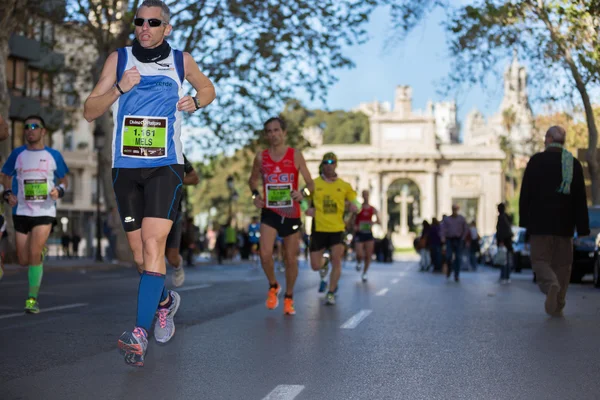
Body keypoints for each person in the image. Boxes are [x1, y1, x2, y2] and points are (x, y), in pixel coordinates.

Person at [84, 0, 216, 366]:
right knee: (141, 258)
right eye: (139, 21)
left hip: (165, 165)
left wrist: (196, 102)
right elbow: (90, 109)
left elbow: (208, 89)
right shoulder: (119, 59)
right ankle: (165, 302)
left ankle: (139, 333)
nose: (145, 27)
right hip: (126, 167)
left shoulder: (180, 60)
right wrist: (119, 90)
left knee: (154, 242)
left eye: (153, 22)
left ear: (166, 28)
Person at [0, 115, 69, 313]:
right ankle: (39, 253)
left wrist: (60, 191)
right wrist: (7, 193)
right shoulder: (17, 154)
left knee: (33, 254)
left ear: (43, 131)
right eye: (27, 127)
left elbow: (65, 179)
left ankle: (32, 299)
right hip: (21, 210)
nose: (30, 130)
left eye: (34, 126)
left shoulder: (53, 155)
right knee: (23, 259)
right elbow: (5, 175)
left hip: (45, 211)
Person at [519, 126, 589, 317]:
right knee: (563, 266)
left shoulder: (535, 162)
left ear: (549, 138)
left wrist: (524, 221)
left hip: (540, 226)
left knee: (540, 261)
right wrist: (582, 228)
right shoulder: (573, 164)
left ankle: (551, 285)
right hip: (565, 227)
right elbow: (580, 198)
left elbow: (526, 194)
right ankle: (558, 303)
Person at [248, 116, 314, 315]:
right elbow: (252, 182)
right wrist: (255, 196)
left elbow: (311, 184)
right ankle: (273, 285)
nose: (273, 134)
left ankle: (289, 297)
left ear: (284, 133)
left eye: (276, 130)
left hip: (291, 212)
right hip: (269, 210)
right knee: (265, 253)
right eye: (269, 131)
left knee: (290, 259)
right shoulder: (261, 157)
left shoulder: (295, 155)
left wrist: (303, 194)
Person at [306, 152, 358, 305]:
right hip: (319, 228)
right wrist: (306, 209)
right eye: (326, 162)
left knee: (337, 260)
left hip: (337, 229)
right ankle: (324, 264)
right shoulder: (313, 184)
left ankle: (331, 291)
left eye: (332, 162)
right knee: (315, 266)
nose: (329, 165)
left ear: (336, 164)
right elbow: (303, 200)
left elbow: (357, 203)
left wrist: (356, 207)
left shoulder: (344, 186)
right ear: (322, 165)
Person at [165, 154, 199, 287]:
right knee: (151, 251)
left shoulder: (177, 154)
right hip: (151, 208)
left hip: (174, 210)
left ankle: (178, 266)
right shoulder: (147, 151)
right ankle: (156, 292)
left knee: (172, 257)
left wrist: (174, 180)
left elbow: (195, 178)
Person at [353, 190, 380, 282]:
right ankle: (359, 261)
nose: (366, 197)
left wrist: (372, 222)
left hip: (368, 233)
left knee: (368, 255)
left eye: (367, 195)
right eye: (364, 195)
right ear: (362, 196)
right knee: (359, 254)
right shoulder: (358, 208)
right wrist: (355, 227)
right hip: (359, 234)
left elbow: (379, 221)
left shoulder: (373, 209)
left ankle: (364, 273)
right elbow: (353, 220)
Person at [441, 204, 469, 282]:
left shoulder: (461, 219)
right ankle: (449, 270)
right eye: (453, 209)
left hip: (458, 239)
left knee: (458, 257)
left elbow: (465, 229)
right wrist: (443, 237)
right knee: (448, 256)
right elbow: (442, 229)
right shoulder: (447, 219)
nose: (454, 210)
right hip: (449, 239)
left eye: (456, 209)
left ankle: (456, 274)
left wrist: (463, 238)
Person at [496, 204, 513, 283]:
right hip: (508, 242)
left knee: (504, 260)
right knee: (506, 260)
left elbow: (501, 231)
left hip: (504, 242)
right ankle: (506, 276)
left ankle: (504, 277)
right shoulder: (506, 217)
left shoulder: (501, 217)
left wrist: (501, 241)